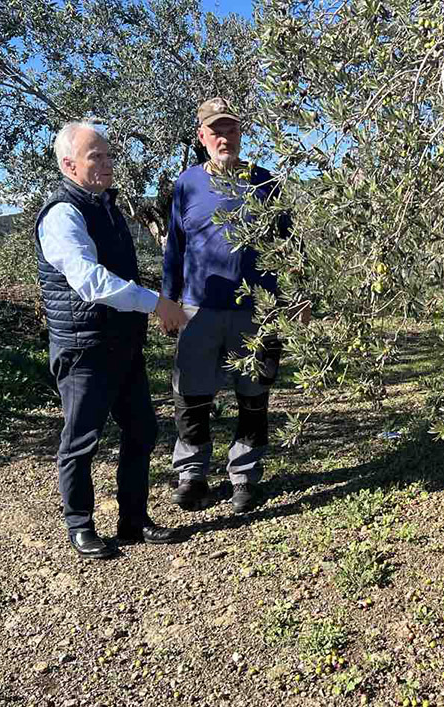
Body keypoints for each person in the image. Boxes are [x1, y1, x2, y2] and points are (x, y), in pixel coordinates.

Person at [35, 120, 188, 559]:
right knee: (80, 440)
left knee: (141, 429)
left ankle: (133, 519)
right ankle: (80, 525)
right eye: (94, 157)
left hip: (122, 344)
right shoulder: (64, 213)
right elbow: (90, 281)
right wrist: (156, 303)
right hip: (84, 347)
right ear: (69, 165)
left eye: (107, 155)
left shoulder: (105, 204)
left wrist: (147, 308)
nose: (105, 163)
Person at [163, 97, 298, 515]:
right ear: (202, 137)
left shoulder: (265, 182)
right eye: (216, 131)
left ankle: (244, 476)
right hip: (198, 309)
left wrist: (297, 297)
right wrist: (168, 300)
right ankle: (192, 475)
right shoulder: (187, 184)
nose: (224, 137)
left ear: (241, 133)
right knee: (192, 395)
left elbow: (290, 245)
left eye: (231, 130)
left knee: (253, 395)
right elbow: (176, 247)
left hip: (256, 311)